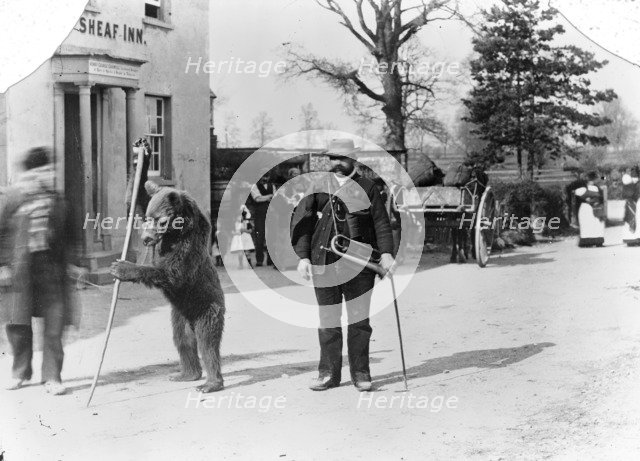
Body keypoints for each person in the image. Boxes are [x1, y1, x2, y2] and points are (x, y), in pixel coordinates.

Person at [291, 139, 395, 392]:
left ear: (355, 160)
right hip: (324, 262)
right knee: (328, 320)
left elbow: (381, 222)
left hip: (359, 265)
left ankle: (360, 373)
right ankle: (328, 373)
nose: (337, 163)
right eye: (332, 158)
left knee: (359, 321)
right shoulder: (317, 186)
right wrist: (303, 257)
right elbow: (303, 221)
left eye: (343, 158)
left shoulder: (368, 187)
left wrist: (387, 253)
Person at [0, 147, 81, 395]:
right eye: (39, 172)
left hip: (51, 271)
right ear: (29, 174)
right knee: (18, 323)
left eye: (48, 171)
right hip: (19, 271)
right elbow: (1, 234)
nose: (44, 176)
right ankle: (20, 372)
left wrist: (75, 263)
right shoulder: (12, 199)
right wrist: (2, 265)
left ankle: (52, 377)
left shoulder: (59, 201)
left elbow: (71, 236)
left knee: (55, 325)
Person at [249, 174, 276, 266]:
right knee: (259, 236)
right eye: (263, 176)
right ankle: (259, 260)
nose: (265, 178)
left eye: (267, 176)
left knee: (271, 237)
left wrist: (265, 198)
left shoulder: (272, 185)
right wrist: (269, 196)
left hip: (271, 213)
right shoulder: (254, 186)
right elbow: (257, 199)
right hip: (260, 214)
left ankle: (270, 260)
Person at [574, 171, 605, 247]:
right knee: (592, 224)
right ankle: (595, 241)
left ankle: (590, 241)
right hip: (591, 207)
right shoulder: (595, 188)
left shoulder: (583, 188)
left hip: (588, 207)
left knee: (590, 224)